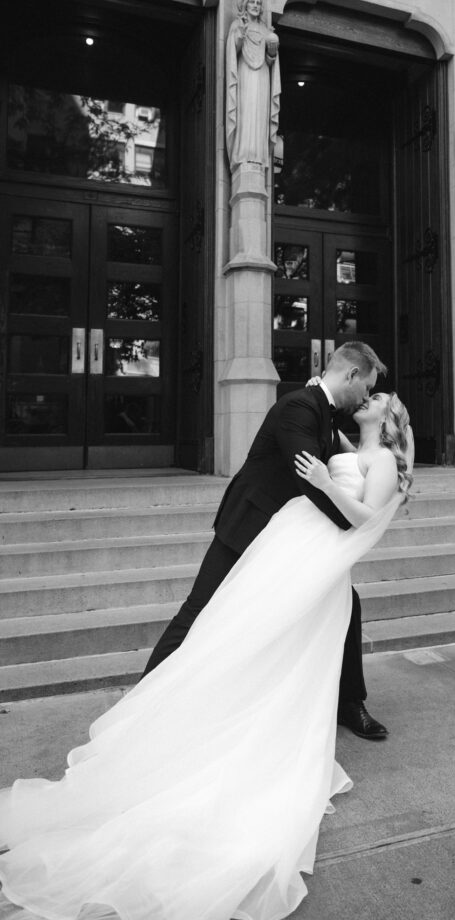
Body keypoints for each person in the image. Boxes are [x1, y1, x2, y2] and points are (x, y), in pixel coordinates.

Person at [0, 389, 413, 920]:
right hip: (289, 545)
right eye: (368, 386)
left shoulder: (380, 459)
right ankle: (194, 703)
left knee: (293, 641)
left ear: (390, 416)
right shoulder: (332, 430)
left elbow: (362, 520)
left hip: (319, 556)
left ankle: (322, 709)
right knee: (239, 629)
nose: (369, 396)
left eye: (378, 396)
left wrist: (326, 484)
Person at [142, 341, 389, 740]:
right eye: (366, 387)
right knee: (198, 610)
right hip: (248, 527)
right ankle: (145, 700)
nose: (364, 397)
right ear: (351, 375)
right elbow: (308, 481)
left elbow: (353, 456)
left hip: (285, 540)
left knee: (347, 602)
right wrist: (349, 526)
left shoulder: (322, 412)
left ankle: (347, 702)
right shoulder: (299, 408)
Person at [225, 0, 281, 169]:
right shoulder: (237, 24)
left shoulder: (266, 30)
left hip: (263, 75)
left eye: (258, 3)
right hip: (245, 73)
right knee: (246, 109)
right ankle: (242, 154)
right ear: (245, 5)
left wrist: (272, 53)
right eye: (252, 2)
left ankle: (259, 155)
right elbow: (234, 50)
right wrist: (241, 32)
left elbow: (270, 60)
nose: (255, 6)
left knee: (260, 111)